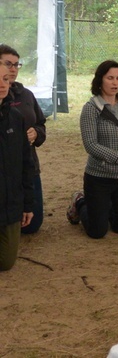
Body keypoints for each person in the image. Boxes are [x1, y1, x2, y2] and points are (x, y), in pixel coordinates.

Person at [68, 60, 118, 238]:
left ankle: (105, 207)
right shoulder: (91, 108)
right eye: (110, 78)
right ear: (100, 80)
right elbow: (91, 144)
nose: (115, 82)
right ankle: (80, 202)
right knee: (97, 232)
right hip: (99, 177)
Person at [0, 45, 46, 234]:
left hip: (27, 165)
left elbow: (41, 124)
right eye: (8, 64)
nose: (13, 69)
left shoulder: (26, 95)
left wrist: (36, 133)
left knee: (33, 225)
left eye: (16, 65)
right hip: (5, 170)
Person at [0, 64, 34, 271]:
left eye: (5, 79)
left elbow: (26, 163)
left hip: (10, 204)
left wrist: (27, 204)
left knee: (6, 262)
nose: (2, 85)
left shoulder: (16, 117)